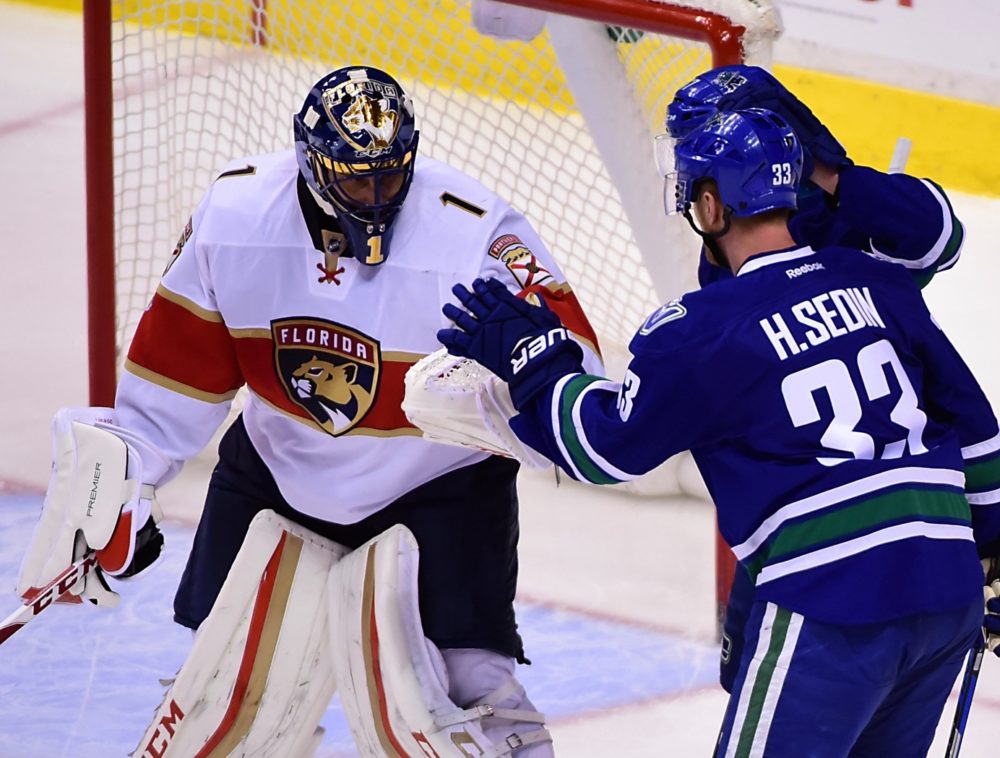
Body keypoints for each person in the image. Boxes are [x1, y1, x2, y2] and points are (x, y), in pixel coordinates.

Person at [17, 66, 602, 756]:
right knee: (219, 695)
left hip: (439, 485)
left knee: (471, 690)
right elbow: (172, 386)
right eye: (358, 180)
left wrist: (502, 399)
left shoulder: (475, 235)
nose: (379, 197)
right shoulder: (234, 219)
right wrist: (121, 488)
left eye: (392, 176)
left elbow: (576, 379)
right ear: (313, 165)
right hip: (275, 474)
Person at [437, 108, 1000, 755]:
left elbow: (600, 449)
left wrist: (540, 360)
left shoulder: (700, 329)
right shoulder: (875, 279)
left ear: (710, 205)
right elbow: (974, 422)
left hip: (834, 600)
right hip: (945, 586)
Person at [664, 64, 970, 692]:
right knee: (752, 673)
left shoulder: (845, 208)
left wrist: (829, 172)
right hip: (809, 492)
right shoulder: (730, 249)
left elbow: (942, 238)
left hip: (892, 472)